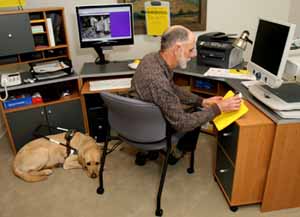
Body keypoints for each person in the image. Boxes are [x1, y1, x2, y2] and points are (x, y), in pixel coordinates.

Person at [129, 25, 241, 165]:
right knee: (196, 114)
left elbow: (172, 88)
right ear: (177, 49)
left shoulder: (151, 58)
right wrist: (218, 108)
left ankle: (144, 151)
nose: (194, 54)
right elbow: (183, 123)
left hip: (137, 119)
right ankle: (177, 152)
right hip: (150, 127)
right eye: (191, 49)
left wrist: (201, 101)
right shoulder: (158, 82)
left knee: (198, 106)